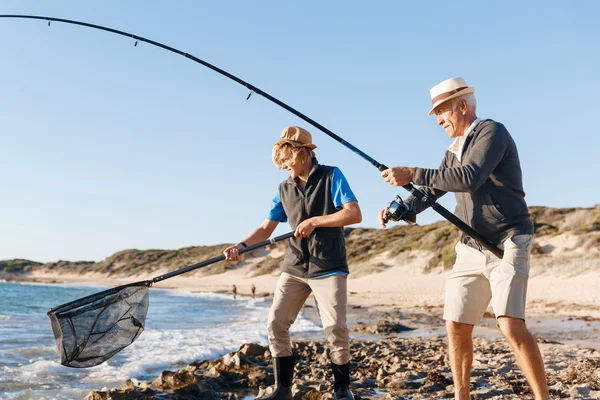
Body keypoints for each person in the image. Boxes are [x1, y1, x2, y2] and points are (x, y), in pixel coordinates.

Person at [378, 77, 550, 400]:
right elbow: (431, 192)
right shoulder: (451, 152)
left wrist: (412, 172)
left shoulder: (491, 133)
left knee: (510, 325)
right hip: (471, 246)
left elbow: (469, 177)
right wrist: (399, 207)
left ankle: (543, 398)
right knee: (455, 324)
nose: (439, 120)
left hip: (509, 241)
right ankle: (462, 396)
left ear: (462, 105)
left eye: (441, 112)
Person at [223, 126, 362, 400]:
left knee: (335, 328)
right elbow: (265, 230)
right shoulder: (283, 188)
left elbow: (353, 213)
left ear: (302, 153)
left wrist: (315, 221)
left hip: (329, 265)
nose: (283, 166)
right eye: (280, 162)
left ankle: (342, 390)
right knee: (276, 323)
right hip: (295, 266)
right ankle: (283, 390)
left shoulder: (332, 176)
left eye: (286, 160)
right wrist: (240, 247)